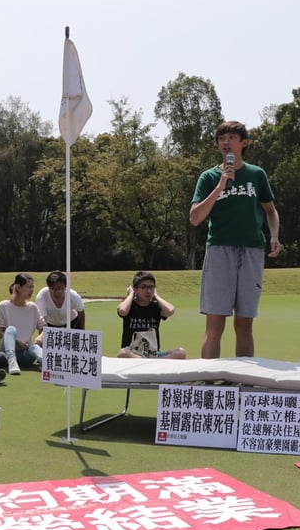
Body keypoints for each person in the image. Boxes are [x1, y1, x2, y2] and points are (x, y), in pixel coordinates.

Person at [190, 120, 281, 358]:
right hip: (219, 250)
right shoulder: (208, 177)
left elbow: (270, 211)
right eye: (221, 138)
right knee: (214, 325)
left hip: (252, 250)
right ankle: (210, 383)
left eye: (231, 138)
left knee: (244, 325)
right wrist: (221, 185)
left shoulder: (256, 175)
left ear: (244, 143)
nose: (225, 143)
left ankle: (244, 384)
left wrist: (274, 235)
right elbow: (195, 218)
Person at [116, 271, 187, 359]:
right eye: (144, 287)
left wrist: (156, 296)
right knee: (123, 353)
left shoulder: (155, 307)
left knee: (181, 352)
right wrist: (130, 295)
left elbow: (170, 311)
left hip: (153, 354)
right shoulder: (129, 306)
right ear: (135, 289)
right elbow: (122, 311)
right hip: (134, 354)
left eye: (151, 287)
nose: (148, 291)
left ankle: (153, 362)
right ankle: (151, 363)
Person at [0, 273, 45, 375]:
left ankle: (47, 363)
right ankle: (12, 362)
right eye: (28, 287)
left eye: (32, 287)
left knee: (34, 347)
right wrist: (17, 341)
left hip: (25, 353)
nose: (31, 290)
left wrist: (40, 337)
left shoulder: (33, 307)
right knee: (11, 329)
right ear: (18, 287)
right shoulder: (4, 305)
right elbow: (0, 333)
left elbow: (44, 328)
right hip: (4, 352)